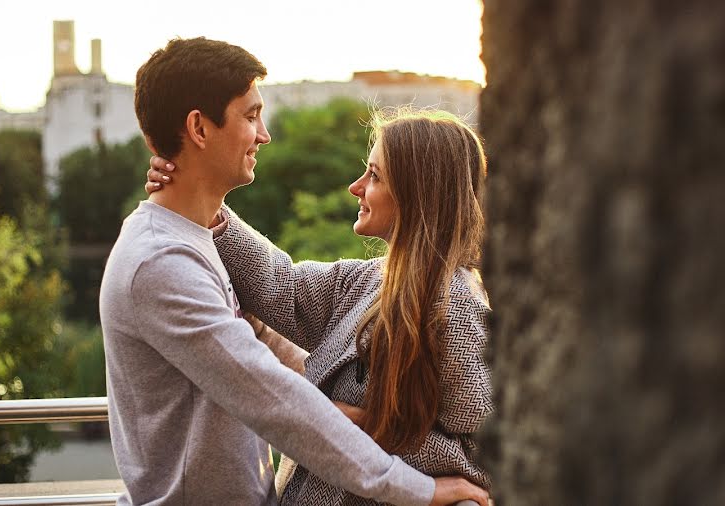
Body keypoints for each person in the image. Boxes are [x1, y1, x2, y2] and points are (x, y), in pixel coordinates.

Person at [100, 37, 487, 506]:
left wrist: (379, 430)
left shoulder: (456, 306)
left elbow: (486, 445)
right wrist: (415, 481)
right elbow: (276, 325)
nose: (263, 134)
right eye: (250, 116)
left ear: (418, 195)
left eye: (376, 175)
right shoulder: (162, 260)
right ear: (199, 129)